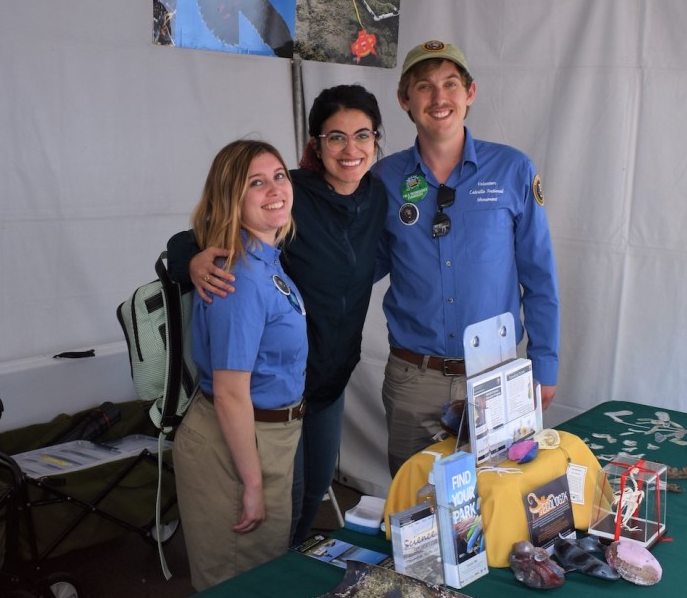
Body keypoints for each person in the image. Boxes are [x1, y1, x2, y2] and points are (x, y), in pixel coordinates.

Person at [176, 85, 387, 546]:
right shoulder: (286, 193)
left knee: (310, 493)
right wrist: (192, 262)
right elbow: (199, 234)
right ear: (315, 145)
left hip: (327, 382)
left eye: (362, 135)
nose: (350, 149)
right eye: (335, 137)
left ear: (376, 140)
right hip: (270, 394)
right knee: (272, 508)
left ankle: (287, 569)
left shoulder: (377, 197)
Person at [373, 40, 560, 476]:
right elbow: (356, 266)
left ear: (470, 93)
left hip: (495, 376)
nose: (439, 98)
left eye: (450, 84)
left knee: (498, 506)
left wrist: (544, 364)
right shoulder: (384, 179)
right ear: (404, 99)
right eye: (424, 87)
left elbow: (540, 277)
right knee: (416, 515)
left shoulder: (513, 169)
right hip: (413, 380)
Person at [171, 139, 307, 591]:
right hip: (237, 446)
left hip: (266, 438)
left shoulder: (266, 258)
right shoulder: (241, 276)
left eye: (279, 176)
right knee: (236, 595)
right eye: (256, 182)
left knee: (260, 583)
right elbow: (230, 392)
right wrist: (252, 482)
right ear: (232, 197)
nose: (274, 189)